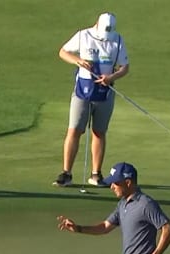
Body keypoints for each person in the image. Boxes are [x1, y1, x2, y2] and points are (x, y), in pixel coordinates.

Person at [53, 12, 129, 188]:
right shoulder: (83, 35)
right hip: (82, 91)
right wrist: (77, 60)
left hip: (105, 92)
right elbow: (63, 52)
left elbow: (125, 67)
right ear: (97, 24)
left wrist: (112, 77)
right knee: (74, 130)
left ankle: (96, 174)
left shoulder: (117, 40)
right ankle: (66, 173)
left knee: (99, 132)